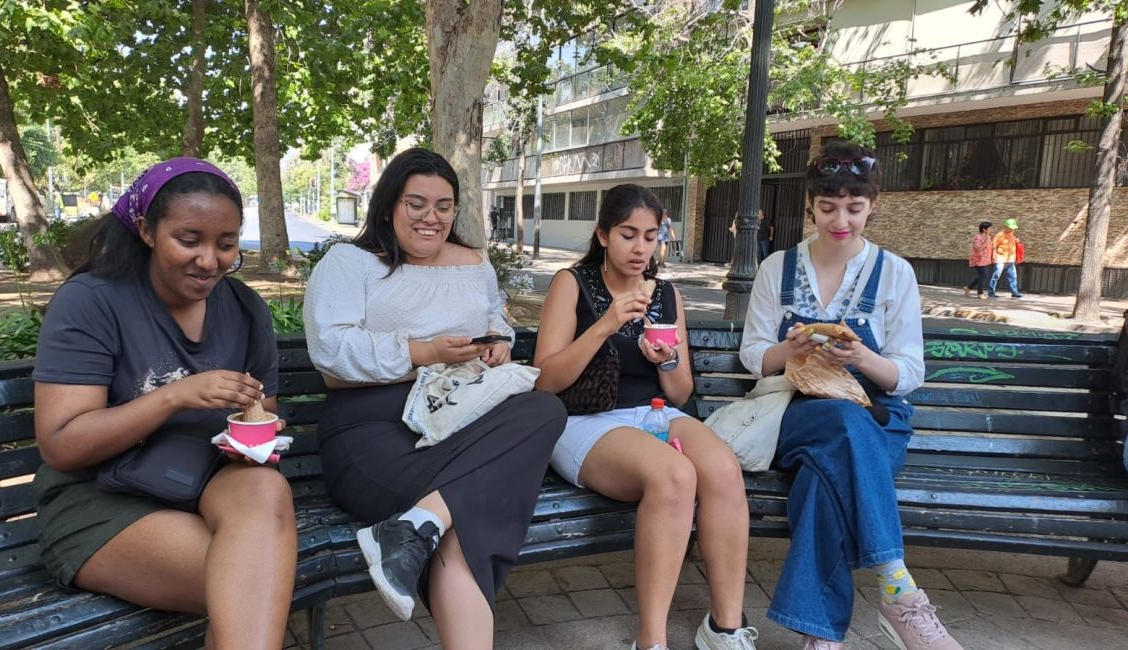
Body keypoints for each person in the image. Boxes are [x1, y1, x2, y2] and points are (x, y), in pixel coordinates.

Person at [303, 148, 567, 648]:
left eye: (444, 206)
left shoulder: (474, 264)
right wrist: (423, 352)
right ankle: (424, 521)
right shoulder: (349, 263)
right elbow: (331, 354)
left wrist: (498, 345)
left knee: (542, 407)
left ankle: (416, 524)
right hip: (372, 430)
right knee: (475, 508)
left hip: (461, 419)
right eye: (416, 204)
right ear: (387, 206)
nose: (432, 218)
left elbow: (497, 322)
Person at [32, 158, 296, 649]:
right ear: (147, 230)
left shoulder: (244, 308)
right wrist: (175, 396)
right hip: (103, 501)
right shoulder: (92, 301)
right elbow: (62, 446)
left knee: (264, 492)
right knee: (252, 588)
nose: (209, 261)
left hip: (206, 483)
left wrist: (255, 435)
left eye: (226, 244)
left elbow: (259, 424)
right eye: (189, 240)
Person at [739, 141, 961, 650]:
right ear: (811, 206)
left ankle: (821, 637)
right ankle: (899, 592)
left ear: (872, 206)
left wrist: (860, 359)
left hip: (878, 415)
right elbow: (754, 355)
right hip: (797, 411)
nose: (841, 220)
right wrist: (787, 351)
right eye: (828, 207)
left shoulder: (895, 273)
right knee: (838, 422)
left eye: (854, 208)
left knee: (824, 479)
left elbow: (908, 372)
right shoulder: (777, 267)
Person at [533, 184, 758, 650]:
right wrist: (606, 325)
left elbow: (680, 391)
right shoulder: (572, 284)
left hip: (653, 413)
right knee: (675, 476)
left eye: (650, 236)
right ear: (602, 235)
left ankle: (726, 629)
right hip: (585, 421)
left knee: (723, 470)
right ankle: (651, 642)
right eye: (627, 235)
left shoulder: (666, 295)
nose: (640, 248)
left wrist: (666, 361)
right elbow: (546, 381)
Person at [989, 218, 1023, 299]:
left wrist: (1017, 242)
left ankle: (1014, 293)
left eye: (1013, 228)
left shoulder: (1012, 234)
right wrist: (993, 256)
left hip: (1010, 259)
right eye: (1011, 228)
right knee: (996, 276)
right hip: (1000, 259)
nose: (1012, 229)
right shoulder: (999, 235)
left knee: (1013, 277)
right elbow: (993, 246)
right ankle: (991, 292)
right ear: (1006, 226)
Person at [965, 221, 993, 299]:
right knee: (983, 276)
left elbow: (990, 247)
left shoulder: (988, 237)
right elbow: (978, 249)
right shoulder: (977, 237)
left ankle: (968, 287)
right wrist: (986, 243)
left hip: (986, 259)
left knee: (982, 276)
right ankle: (980, 293)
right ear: (984, 229)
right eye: (990, 228)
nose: (991, 229)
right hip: (978, 260)